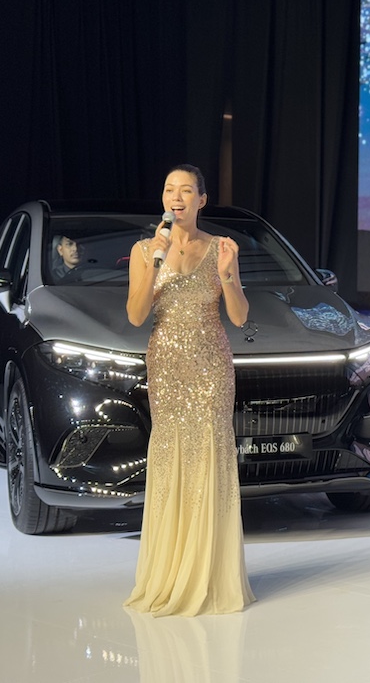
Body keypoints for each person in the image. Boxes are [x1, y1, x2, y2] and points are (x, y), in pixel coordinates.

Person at [124, 164, 255, 617]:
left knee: (209, 455)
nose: (175, 197)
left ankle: (209, 575)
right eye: (168, 190)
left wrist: (228, 274)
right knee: (172, 455)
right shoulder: (145, 250)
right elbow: (136, 316)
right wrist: (155, 259)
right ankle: (169, 573)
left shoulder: (222, 247)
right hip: (167, 366)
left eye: (185, 191)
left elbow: (239, 316)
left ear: (202, 200)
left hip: (211, 367)